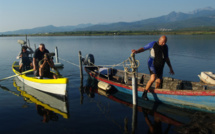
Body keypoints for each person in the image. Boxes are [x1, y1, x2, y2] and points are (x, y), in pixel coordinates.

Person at [132, 35, 174, 100]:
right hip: (152, 63)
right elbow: (144, 48)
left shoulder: (165, 47)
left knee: (159, 81)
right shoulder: (153, 44)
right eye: (162, 42)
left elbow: (166, 58)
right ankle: (144, 93)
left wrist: (170, 68)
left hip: (161, 65)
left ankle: (157, 94)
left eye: (165, 42)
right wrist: (137, 51)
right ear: (159, 39)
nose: (164, 43)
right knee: (153, 78)